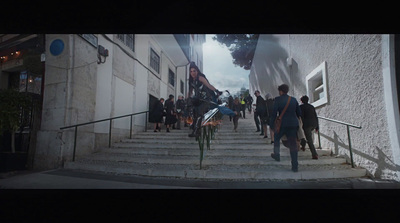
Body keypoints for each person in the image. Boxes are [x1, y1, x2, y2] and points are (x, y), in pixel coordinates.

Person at [269, 84, 302, 172]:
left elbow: (274, 113)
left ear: (280, 91)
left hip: (282, 124)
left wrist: (271, 124)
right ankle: (295, 166)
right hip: (293, 124)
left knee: (276, 138)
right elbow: (299, 113)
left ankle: (277, 154)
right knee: (293, 145)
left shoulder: (277, 99)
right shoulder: (293, 100)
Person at [187, 62, 221, 137]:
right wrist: (187, 99)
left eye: (194, 71)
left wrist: (217, 91)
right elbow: (190, 91)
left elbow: (208, 85)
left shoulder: (200, 77)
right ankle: (194, 126)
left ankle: (196, 131)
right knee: (192, 109)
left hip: (205, 99)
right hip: (198, 98)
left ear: (197, 71)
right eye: (191, 71)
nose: (192, 73)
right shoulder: (191, 80)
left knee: (199, 113)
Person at [299, 95, 319, 159]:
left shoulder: (301, 107)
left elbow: (301, 116)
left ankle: (314, 154)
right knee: (306, 135)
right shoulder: (311, 107)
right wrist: (317, 126)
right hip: (313, 124)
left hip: (306, 124)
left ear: (301, 101)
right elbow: (315, 116)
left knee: (309, 139)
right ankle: (303, 145)